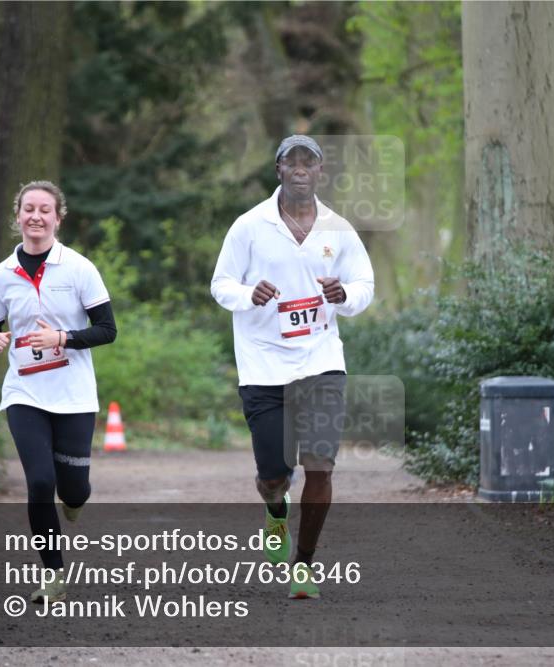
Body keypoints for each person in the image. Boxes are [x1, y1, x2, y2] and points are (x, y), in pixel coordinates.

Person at [211, 135, 374, 599]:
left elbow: (365, 284)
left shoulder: (339, 229)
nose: (301, 169)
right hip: (263, 365)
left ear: (320, 172)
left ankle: (303, 565)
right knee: (274, 475)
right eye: (291, 161)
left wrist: (345, 296)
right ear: (279, 170)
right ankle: (275, 509)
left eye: (310, 162)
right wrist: (248, 294)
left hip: (322, 361)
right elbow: (220, 284)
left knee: (320, 468)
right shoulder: (248, 226)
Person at [0, 180, 117, 603]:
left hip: (73, 392)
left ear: (58, 217)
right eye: (28, 209)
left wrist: (62, 338)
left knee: (73, 488)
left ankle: (74, 501)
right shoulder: (1, 275)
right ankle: (53, 573)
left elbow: (107, 331)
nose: (36, 216)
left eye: (45, 210)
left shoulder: (78, 268)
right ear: (17, 216)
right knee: (40, 482)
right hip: (24, 391)